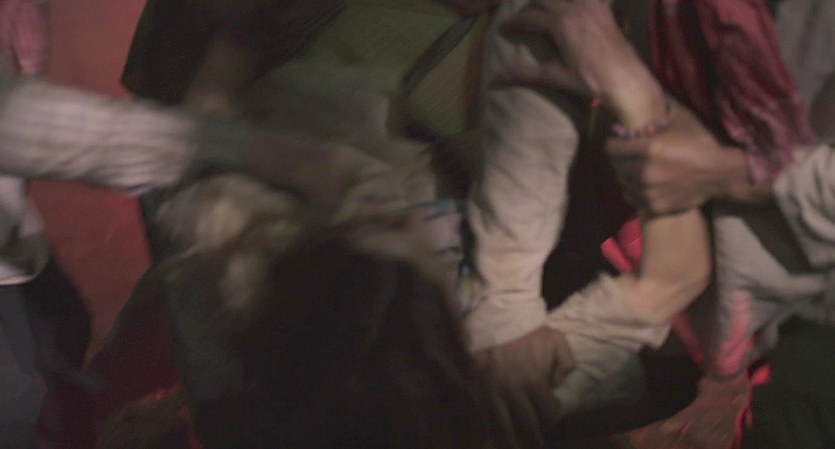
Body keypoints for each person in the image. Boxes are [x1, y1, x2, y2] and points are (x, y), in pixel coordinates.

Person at [0, 60, 381, 446]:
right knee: (27, 401)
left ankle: (74, 423)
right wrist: (257, 149)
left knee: (63, 323)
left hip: (19, 272)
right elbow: (34, 125)